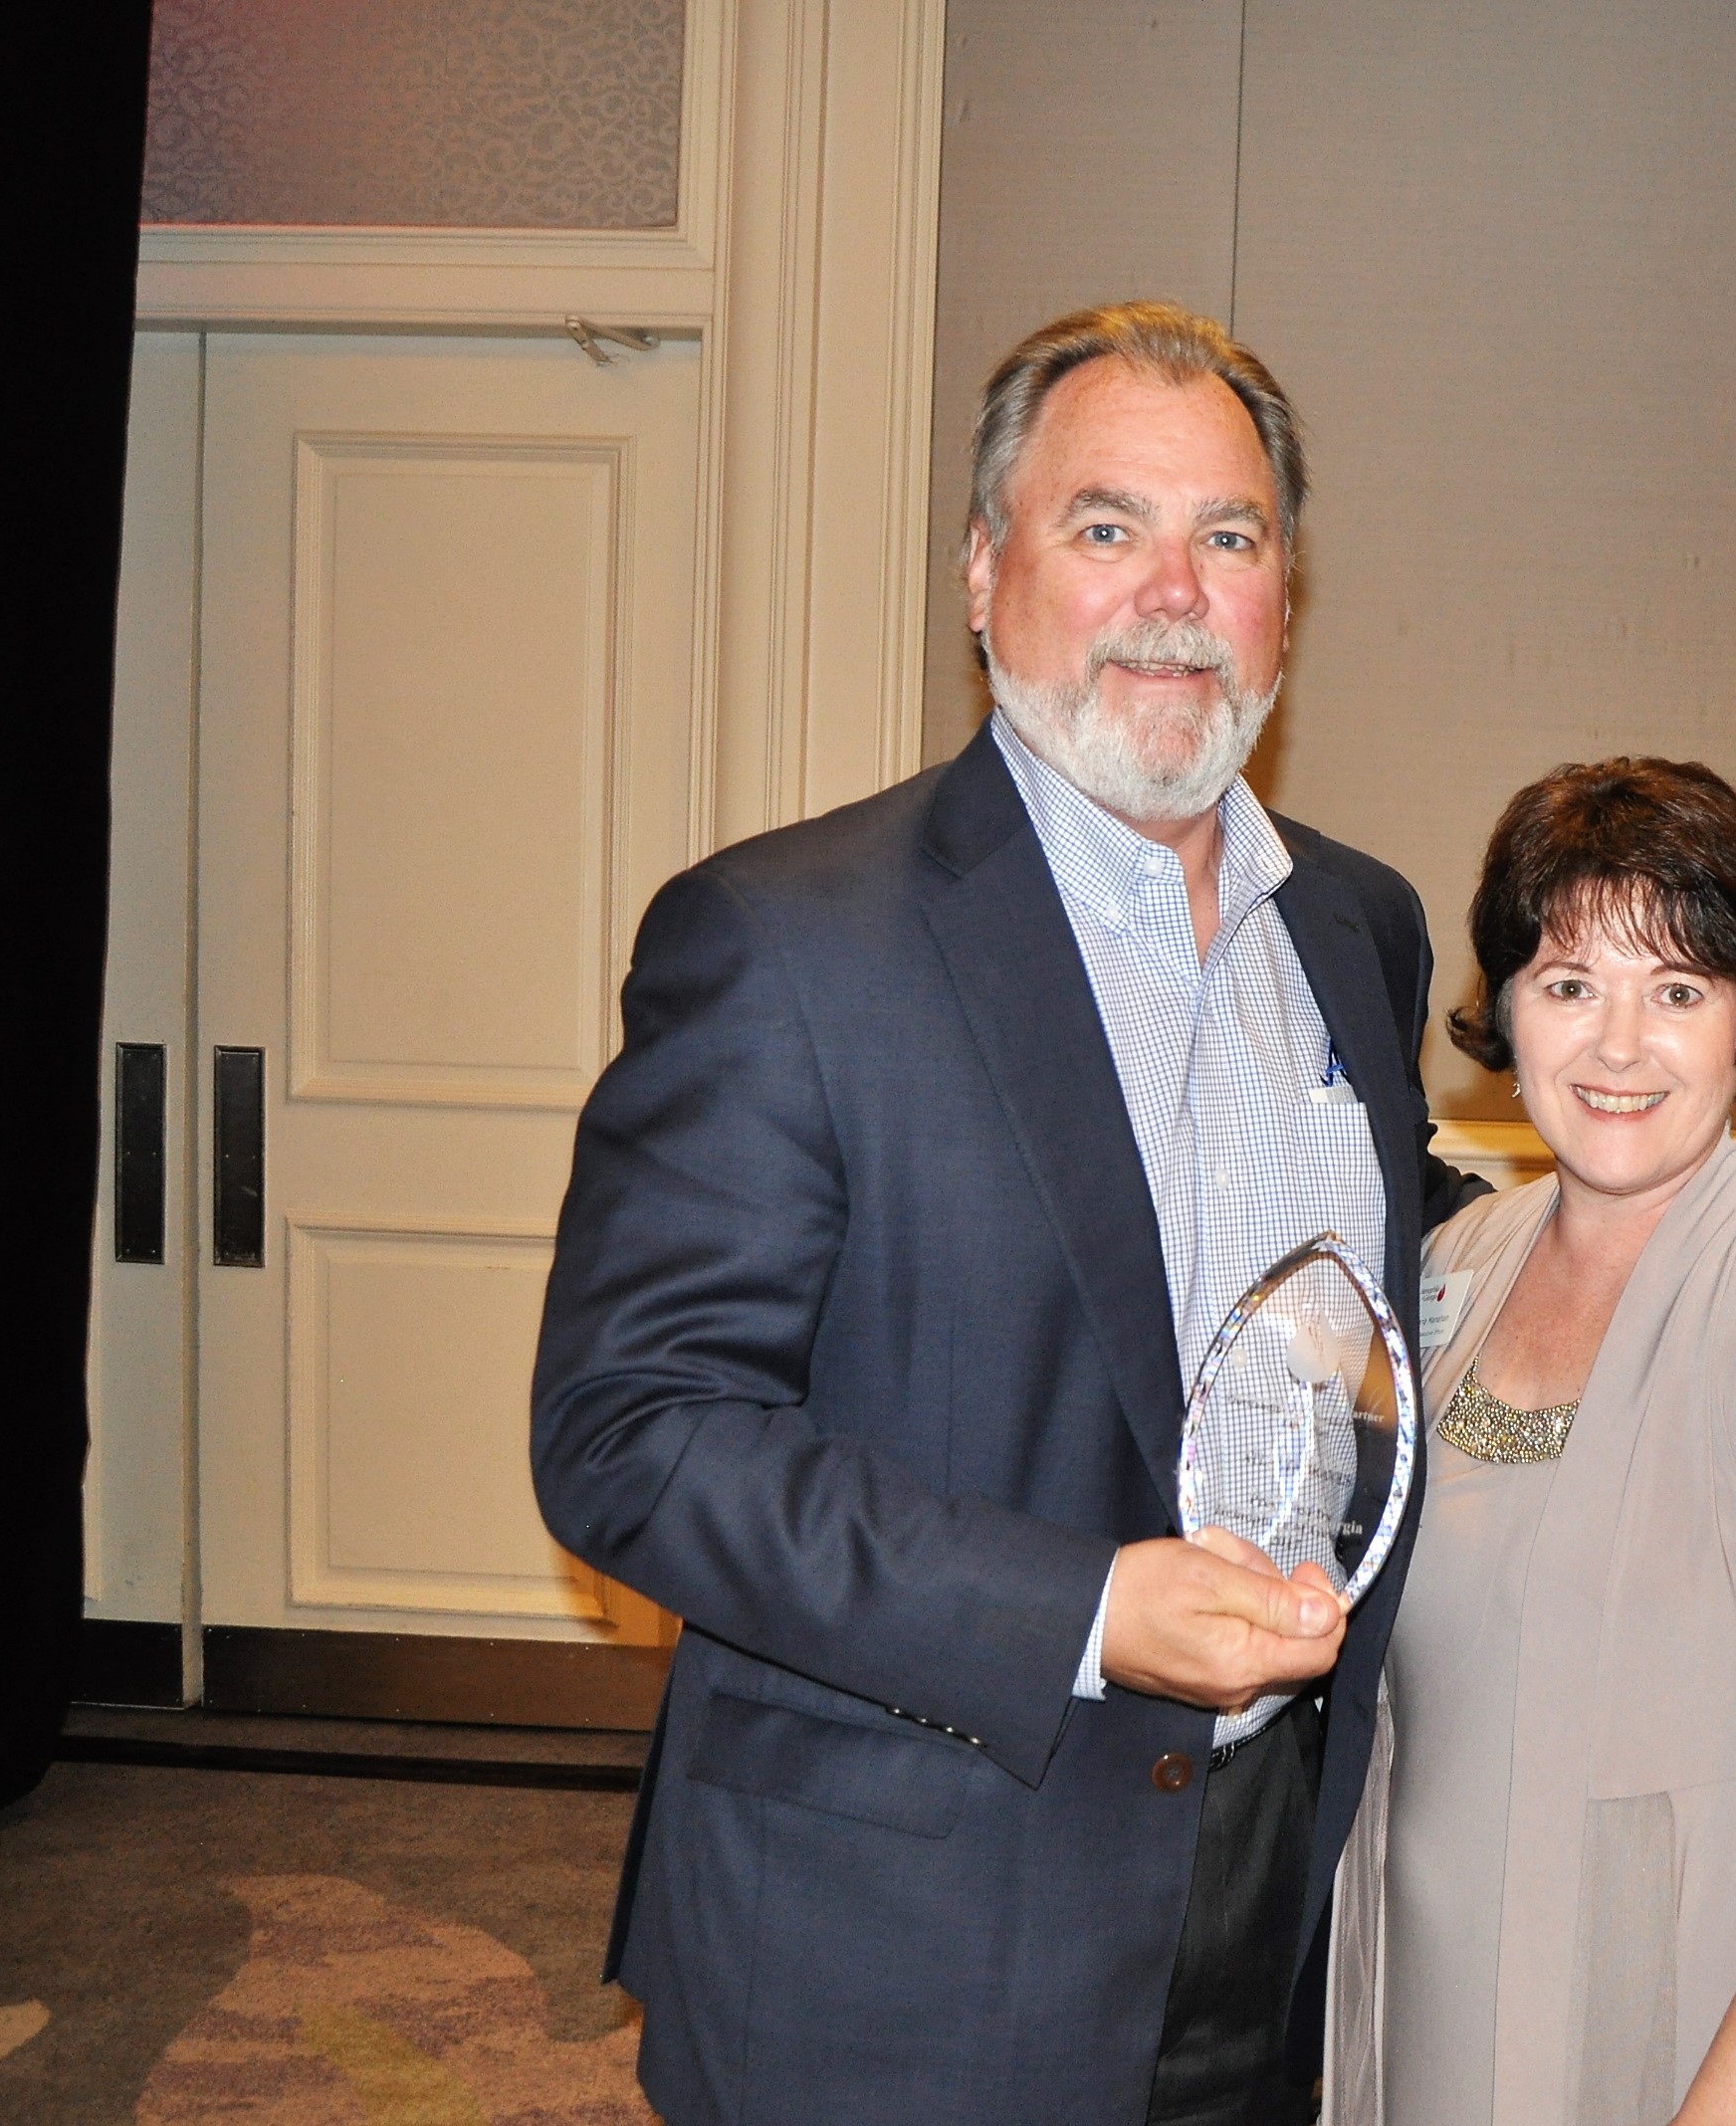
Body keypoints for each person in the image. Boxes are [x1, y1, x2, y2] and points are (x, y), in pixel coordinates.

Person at [532, 302, 1482, 2124]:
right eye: (1105, 527)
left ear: (1287, 595)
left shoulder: (1353, 926)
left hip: (1273, 1877)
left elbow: (1372, 1238)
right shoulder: (788, 942)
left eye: (1232, 537)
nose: (1175, 593)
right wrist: (1088, 1609)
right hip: (905, 1934)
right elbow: (633, 1441)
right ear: (984, 576)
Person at [1327, 759, 1736, 2126]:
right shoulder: (1451, 1270)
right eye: (1570, 985)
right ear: (1508, 1011)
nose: (1618, 1047)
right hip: (1435, 2022)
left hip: (1700, 2053)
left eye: (1676, 990)